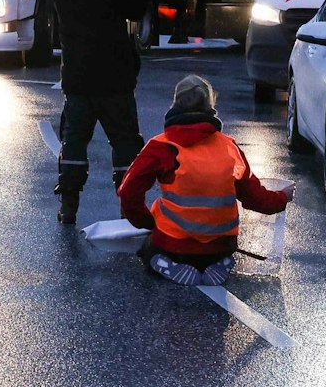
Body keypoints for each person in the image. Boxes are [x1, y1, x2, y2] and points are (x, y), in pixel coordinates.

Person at [117, 75, 291, 286]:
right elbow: (256, 198)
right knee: (216, 249)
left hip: (175, 244)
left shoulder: (161, 146)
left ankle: (167, 264)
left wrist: (147, 223)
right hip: (221, 244)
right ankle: (221, 263)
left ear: (175, 103)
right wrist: (282, 197)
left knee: (147, 248)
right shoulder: (229, 146)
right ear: (211, 105)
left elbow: (128, 191)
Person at [51, 0, 161, 224]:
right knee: (125, 144)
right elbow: (133, 7)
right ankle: (129, 209)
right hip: (114, 77)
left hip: (77, 78)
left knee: (74, 143)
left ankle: (68, 205)